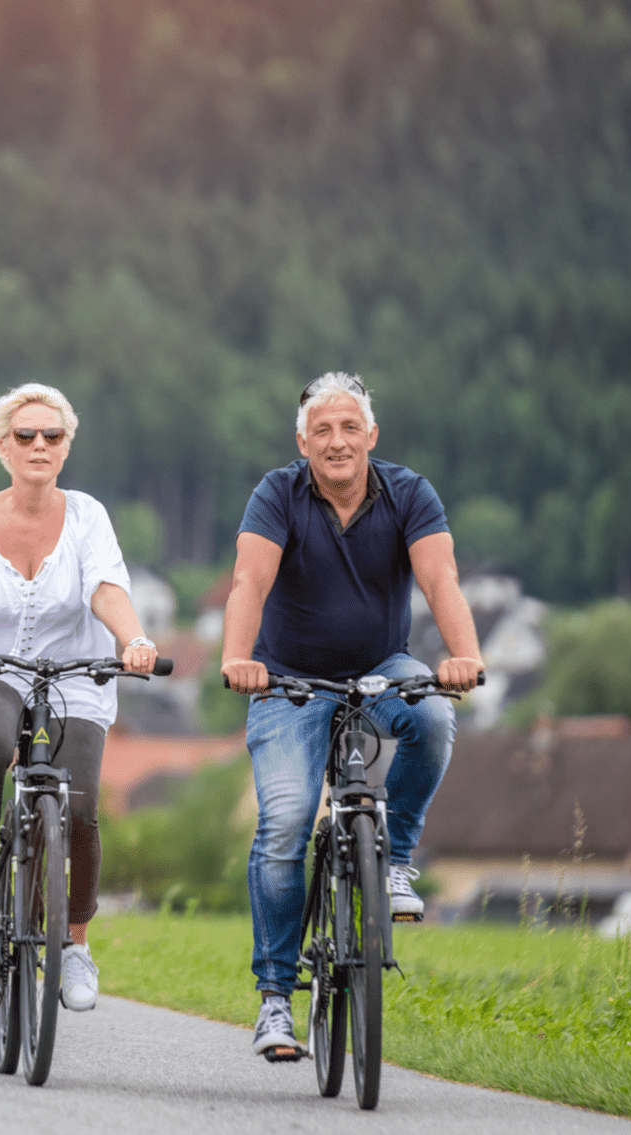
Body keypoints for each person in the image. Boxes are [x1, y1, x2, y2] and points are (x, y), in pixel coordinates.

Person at [220, 372, 484, 1057]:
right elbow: (250, 579)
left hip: (381, 666)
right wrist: (238, 656)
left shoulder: (409, 493)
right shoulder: (277, 493)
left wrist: (464, 655)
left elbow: (440, 578)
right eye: (322, 430)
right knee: (282, 822)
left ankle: (394, 861)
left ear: (372, 434)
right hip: (287, 680)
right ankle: (276, 997)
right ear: (302, 441)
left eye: (349, 427)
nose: (337, 441)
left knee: (430, 714)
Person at [0, 382, 159, 1013]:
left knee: (77, 803)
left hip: (75, 671)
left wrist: (132, 639)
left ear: (66, 445)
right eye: (25, 435)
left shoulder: (87, 516)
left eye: (52, 436)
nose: (38, 445)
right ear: (2, 446)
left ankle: (75, 943)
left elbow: (107, 585)